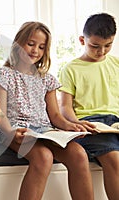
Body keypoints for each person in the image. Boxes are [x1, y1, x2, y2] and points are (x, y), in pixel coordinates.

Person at [0, 21, 94, 200]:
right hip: (17, 131)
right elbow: (0, 114)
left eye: (41, 47)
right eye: (31, 44)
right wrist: (10, 131)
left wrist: (71, 126)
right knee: (43, 157)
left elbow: (55, 116)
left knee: (79, 154)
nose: (35, 50)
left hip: (45, 131)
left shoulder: (47, 79)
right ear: (18, 43)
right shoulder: (3, 74)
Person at [58, 13, 119, 200]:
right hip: (91, 124)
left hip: (116, 124)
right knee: (114, 161)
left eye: (108, 45)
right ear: (82, 40)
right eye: (95, 46)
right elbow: (65, 107)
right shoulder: (71, 69)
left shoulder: (116, 64)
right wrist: (77, 123)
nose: (101, 51)